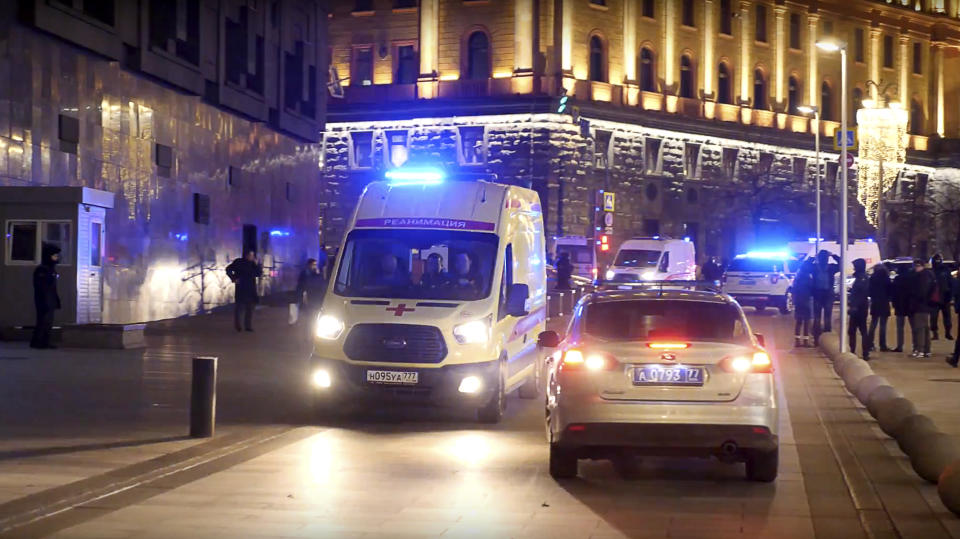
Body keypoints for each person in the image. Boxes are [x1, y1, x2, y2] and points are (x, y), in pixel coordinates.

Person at [31, 243, 62, 349]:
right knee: (43, 321)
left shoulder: (50, 270)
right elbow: (42, 287)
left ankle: (44, 341)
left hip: (50, 300)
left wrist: (55, 299)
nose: (56, 258)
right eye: (54, 256)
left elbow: (52, 287)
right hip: (44, 300)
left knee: (48, 322)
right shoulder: (42, 270)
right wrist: (46, 300)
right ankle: (38, 342)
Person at [226, 250, 262, 332]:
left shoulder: (253, 264)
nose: (252, 257)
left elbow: (258, 273)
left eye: (253, 256)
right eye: (251, 255)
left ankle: (248, 326)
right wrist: (234, 278)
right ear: (247, 255)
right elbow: (228, 269)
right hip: (241, 288)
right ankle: (238, 326)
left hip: (250, 288)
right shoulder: (239, 262)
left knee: (249, 308)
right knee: (239, 307)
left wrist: (257, 265)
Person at [811, 250, 841, 345]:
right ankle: (827, 339)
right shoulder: (831, 267)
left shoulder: (815, 267)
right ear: (827, 258)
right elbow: (842, 263)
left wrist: (813, 258)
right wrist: (833, 255)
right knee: (827, 316)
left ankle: (816, 339)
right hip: (828, 294)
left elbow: (804, 266)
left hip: (817, 294)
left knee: (817, 317)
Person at [908, 258, 936, 358]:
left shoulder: (921, 277)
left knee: (920, 328)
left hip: (920, 306)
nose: (915, 268)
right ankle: (926, 350)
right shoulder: (929, 275)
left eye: (916, 266)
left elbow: (921, 292)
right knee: (925, 328)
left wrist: (914, 298)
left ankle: (920, 350)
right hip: (927, 305)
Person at [847, 258, 870, 360]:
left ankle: (861, 352)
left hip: (858, 309)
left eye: (855, 266)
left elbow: (860, 294)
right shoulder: (862, 277)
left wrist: (854, 306)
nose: (853, 268)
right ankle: (863, 352)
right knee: (860, 330)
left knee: (856, 330)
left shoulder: (862, 278)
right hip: (861, 308)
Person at [868, 263, 892, 353]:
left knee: (873, 324)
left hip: (875, 303)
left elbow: (869, 292)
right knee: (883, 325)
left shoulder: (872, 278)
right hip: (884, 303)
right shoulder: (886, 278)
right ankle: (883, 345)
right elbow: (890, 291)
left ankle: (870, 344)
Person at [296, 257, 326, 327]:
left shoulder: (315, 273)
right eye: (313, 264)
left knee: (312, 313)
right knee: (309, 313)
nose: (315, 266)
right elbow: (301, 284)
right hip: (308, 295)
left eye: (315, 264)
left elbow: (320, 284)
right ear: (309, 265)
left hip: (313, 296)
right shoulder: (305, 273)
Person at [792, 258, 815, 347]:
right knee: (806, 321)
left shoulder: (798, 278)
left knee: (799, 321)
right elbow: (812, 289)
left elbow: (794, 289)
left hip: (798, 301)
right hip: (806, 301)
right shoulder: (809, 278)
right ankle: (806, 341)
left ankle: (797, 341)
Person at [931, 253, 954, 341]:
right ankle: (935, 333)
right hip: (935, 298)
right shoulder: (932, 271)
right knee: (933, 317)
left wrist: (950, 295)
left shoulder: (946, 270)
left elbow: (950, 283)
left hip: (945, 297)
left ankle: (948, 333)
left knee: (947, 317)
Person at [891, 265, 913, 353]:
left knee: (900, 328)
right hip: (909, 306)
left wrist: (894, 304)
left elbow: (894, 294)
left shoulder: (897, 279)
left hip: (899, 306)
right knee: (914, 327)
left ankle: (900, 346)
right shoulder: (911, 279)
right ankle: (915, 346)